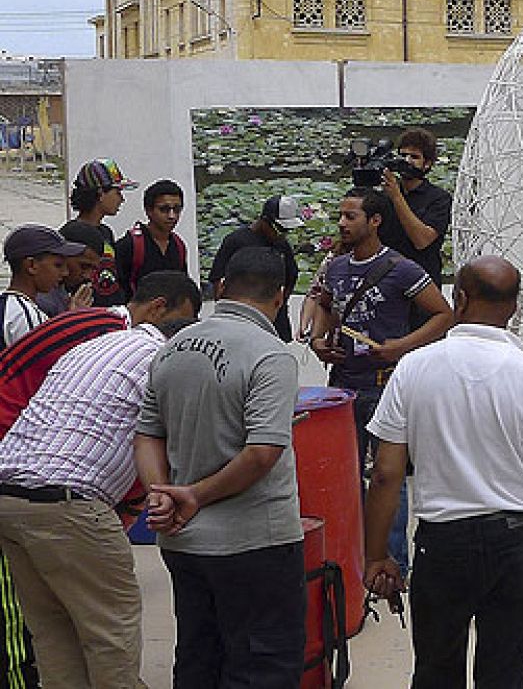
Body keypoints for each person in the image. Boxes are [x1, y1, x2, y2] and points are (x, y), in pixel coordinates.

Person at [362, 256, 523, 686]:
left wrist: (377, 554)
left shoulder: (414, 368)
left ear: (460, 297)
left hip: (442, 543)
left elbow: (384, 474)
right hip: (516, 546)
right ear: (514, 307)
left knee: (436, 670)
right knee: (505, 673)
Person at [134, 248, 305, 686]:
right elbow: (263, 452)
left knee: (199, 656)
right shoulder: (271, 355)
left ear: (222, 288)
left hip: (183, 543)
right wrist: (193, 496)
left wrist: (161, 494)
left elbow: (147, 432)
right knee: (262, 665)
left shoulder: (172, 348)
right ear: (281, 296)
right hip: (254, 543)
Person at [0, 306, 195, 687]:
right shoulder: (166, 360)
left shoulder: (96, 346)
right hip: (69, 502)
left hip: (8, 498)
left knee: (53, 631)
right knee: (110, 633)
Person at [310, 188, 452, 575]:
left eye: (350, 217)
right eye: (340, 216)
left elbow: (444, 315)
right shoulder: (336, 267)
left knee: (389, 476)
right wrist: (319, 341)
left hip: (385, 384)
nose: (342, 223)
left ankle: (393, 565)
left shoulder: (401, 268)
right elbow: (326, 307)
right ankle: (355, 558)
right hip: (341, 386)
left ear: (375, 222)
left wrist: (400, 347)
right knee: (346, 475)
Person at [0, 271, 202, 438]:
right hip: (10, 423)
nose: (175, 335)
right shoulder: (110, 336)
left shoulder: (99, 321)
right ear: (157, 308)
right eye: (177, 324)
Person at [209, 194, 305, 341]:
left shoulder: (282, 244)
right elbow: (217, 280)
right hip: (240, 319)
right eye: (279, 228)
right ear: (265, 220)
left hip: (274, 321)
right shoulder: (236, 241)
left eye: (287, 230)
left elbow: (291, 276)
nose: (283, 234)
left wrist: (277, 305)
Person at [378, 128, 452, 290]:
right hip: (387, 280)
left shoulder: (439, 198)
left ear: (427, 164)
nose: (407, 161)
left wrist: (397, 197)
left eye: (414, 157)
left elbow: (422, 241)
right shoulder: (385, 196)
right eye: (403, 155)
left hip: (422, 283)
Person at [65, 159, 137, 308]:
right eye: (117, 192)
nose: (121, 199)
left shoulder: (106, 232)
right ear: (100, 193)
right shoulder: (72, 234)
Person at [3, 226, 82, 349]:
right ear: (32, 265)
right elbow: (37, 365)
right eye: (58, 265)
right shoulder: (23, 314)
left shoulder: (12, 306)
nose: (65, 272)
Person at [113, 179, 188, 295]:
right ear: (149, 211)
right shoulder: (129, 245)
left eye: (177, 209)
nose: (172, 216)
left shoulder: (179, 246)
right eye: (164, 209)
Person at [33, 224, 105, 317]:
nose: (87, 275)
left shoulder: (63, 292)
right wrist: (71, 318)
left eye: (93, 269)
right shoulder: (43, 299)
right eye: (83, 266)